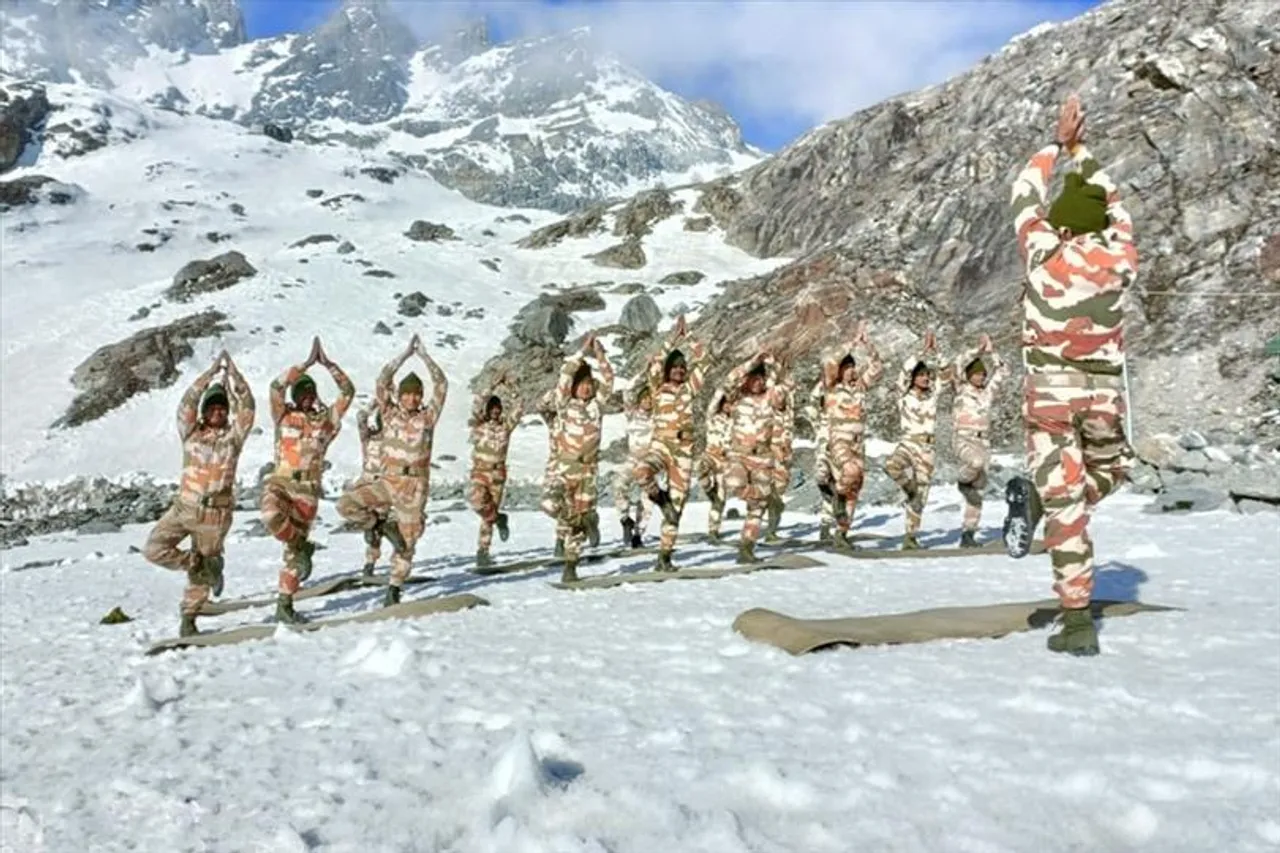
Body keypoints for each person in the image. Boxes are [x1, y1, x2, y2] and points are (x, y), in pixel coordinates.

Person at [1005, 93, 1138, 656]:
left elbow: (1023, 193)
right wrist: (1084, 152)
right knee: (1117, 470)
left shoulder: (1042, 251)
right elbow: (1114, 201)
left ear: (1059, 226)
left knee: (1065, 505)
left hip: (1052, 395)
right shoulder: (1120, 260)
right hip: (1104, 395)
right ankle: (1047, 502)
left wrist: (1057, 145)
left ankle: (1077, 619)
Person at [144, 350, 254, 636]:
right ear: (205, 412)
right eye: (212, 408)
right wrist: (210, 374)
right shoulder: (191, 433)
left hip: (213, 515)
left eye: (222, 408)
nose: (218, 412)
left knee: (201, 572)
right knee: (154, 550)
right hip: (183, 508)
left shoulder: (233, 438)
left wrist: (234, 377)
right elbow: (186, 404)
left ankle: (189, 618)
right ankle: (199, 563)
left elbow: (248, 408)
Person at [336, 333, 447, 606]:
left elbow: (442, 384)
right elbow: (382, 381)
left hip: (414, 489)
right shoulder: (389, 414)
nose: (411, 398)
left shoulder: (427, 418)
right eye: (407, 393)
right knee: (345, 505)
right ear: (400, 395)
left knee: (407, 543)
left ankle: (394, 588)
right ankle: (379, 525)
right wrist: (404, 355)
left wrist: (424, 357)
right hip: (388, 482)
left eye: (416, 394)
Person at [261, 337, 354, 623]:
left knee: (291, 555)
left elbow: (348, 392)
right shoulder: (283, 416)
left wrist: (328, 365)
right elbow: (275, 387)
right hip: (280, 483)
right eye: (302, 392)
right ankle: (303, 547)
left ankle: (285, 605)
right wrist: (303, 366)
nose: (307, 397)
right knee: (270, 515)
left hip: (308, 491)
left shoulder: (326, 423)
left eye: (311, 393)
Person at [632, 315, 707, 570]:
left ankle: (664, 556)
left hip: (683, 451)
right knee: (641, 471)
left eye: (682, 367)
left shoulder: (689, 389)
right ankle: (659, 499)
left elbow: (704, 360)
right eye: (674, 366)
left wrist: (691, 337)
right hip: (661, 446)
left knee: (679, 503)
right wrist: (672, 338)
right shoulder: (657, 387)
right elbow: (654, 363)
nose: (678, 370)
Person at [540, 333, 613, 582]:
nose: (586, 387)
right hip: (564, 469)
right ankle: (587, 520)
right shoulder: (563, 404)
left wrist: (600, 356)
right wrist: (583, 351)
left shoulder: (596, 406)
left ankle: (570, 567)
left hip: (587, 473)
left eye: (589, 384)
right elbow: (565, 374)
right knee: (550, 504)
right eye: (581, 383)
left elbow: (609, 381)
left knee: (577, 529)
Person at [818, 320, 883, 551]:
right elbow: (829, 361)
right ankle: (836, 493)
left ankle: (842, 533)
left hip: (858, 444)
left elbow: (877, 367)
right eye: (847, 367)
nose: (852, 371)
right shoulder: (831, 387)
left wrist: (868, 346)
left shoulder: (860, 387)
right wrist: (851, 343)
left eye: (853, 367)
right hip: (839, 441)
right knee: (850, 472)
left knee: (855, 489)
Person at [883, 330, 947, 550]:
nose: (926, 378)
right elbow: (903, 371)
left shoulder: (933, 395)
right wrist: (921, 350)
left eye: (927, 375)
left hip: (927, 447)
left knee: (922, 494)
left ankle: (910, 537)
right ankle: (907, 487)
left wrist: (937, 353)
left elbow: (946, 375)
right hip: (908, 442)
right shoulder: (904, 394)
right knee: (892, 466)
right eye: (921, 375)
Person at [719, 351, 780, 565]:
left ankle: (746, 548)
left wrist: (771, 366)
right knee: (734, 485)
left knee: (758, 508)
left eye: (761, 378)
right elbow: (729, 381)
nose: (758, 382)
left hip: (763, 457)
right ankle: (757, 495)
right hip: (739, 454)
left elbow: (782, 387)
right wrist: (752, 362)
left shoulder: (769, 398)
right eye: (754, 378)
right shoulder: (737, 398)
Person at [949, 334, 1008, 548]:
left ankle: (968, 533)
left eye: (983, 374)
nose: (982, 377)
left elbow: (1003, 371)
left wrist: (992, 353)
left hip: (984, 442)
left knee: (978, 492)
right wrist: (978, 350)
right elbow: (956, 363)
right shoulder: (960, 388)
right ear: (969, 376)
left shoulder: (987, 393)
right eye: (977, 374)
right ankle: (962, 481)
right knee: (973, 463)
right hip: (964, 438)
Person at [467, 372, 523, 567]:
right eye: (492, 408)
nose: (495, 411)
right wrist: (491, 386)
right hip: (480, 472)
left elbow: (519, 407)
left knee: (486, 518)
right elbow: (476, 404)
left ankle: (483, 551)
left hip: (498, 474)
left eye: (498, 408)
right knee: (476, 501)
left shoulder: (505, 427)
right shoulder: (478, 425)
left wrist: (510, 387)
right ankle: (500, 518)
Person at [615, 382, 654, 549]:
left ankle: (638, 535)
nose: (647, 402)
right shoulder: (632, 414)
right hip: (632, 459)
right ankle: (625, 518)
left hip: (649, 462)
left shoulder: (656, 417)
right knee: (618, 485)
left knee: (647, 500)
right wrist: (645, 372)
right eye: (645, 399)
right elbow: (627, 390)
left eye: (650, 399)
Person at [763, 356, 796, 543]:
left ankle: (772, 530)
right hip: (769, 459)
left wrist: (785, 370)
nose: (780, 399)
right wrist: (775, 366)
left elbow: (790, 387)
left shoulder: (788, 411)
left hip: (785, 459)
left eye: (782, 397)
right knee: (769, 495)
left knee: (779, 498)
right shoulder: (767, 410)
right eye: (777, 396)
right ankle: (768, 530)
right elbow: (771, 386)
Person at [354, 403, 386, 575]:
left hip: (385, 487)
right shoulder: (369, 437)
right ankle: (369, 563)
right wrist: (376, 402)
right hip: (366, 483)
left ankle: (370, 563)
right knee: (371, 524)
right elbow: (360, 417)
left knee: (380, 528)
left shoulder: (397, 439)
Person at [697, 390, 731, 542]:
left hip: (725, 461)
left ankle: (713, 529)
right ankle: (709, 490)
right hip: (710, 455)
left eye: (731, 404)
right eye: (726, 403)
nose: (728, 406)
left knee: (721, 497)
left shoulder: (736, 423)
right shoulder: (712, 417)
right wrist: (725, 387)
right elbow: (712, 404)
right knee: (701, 470)